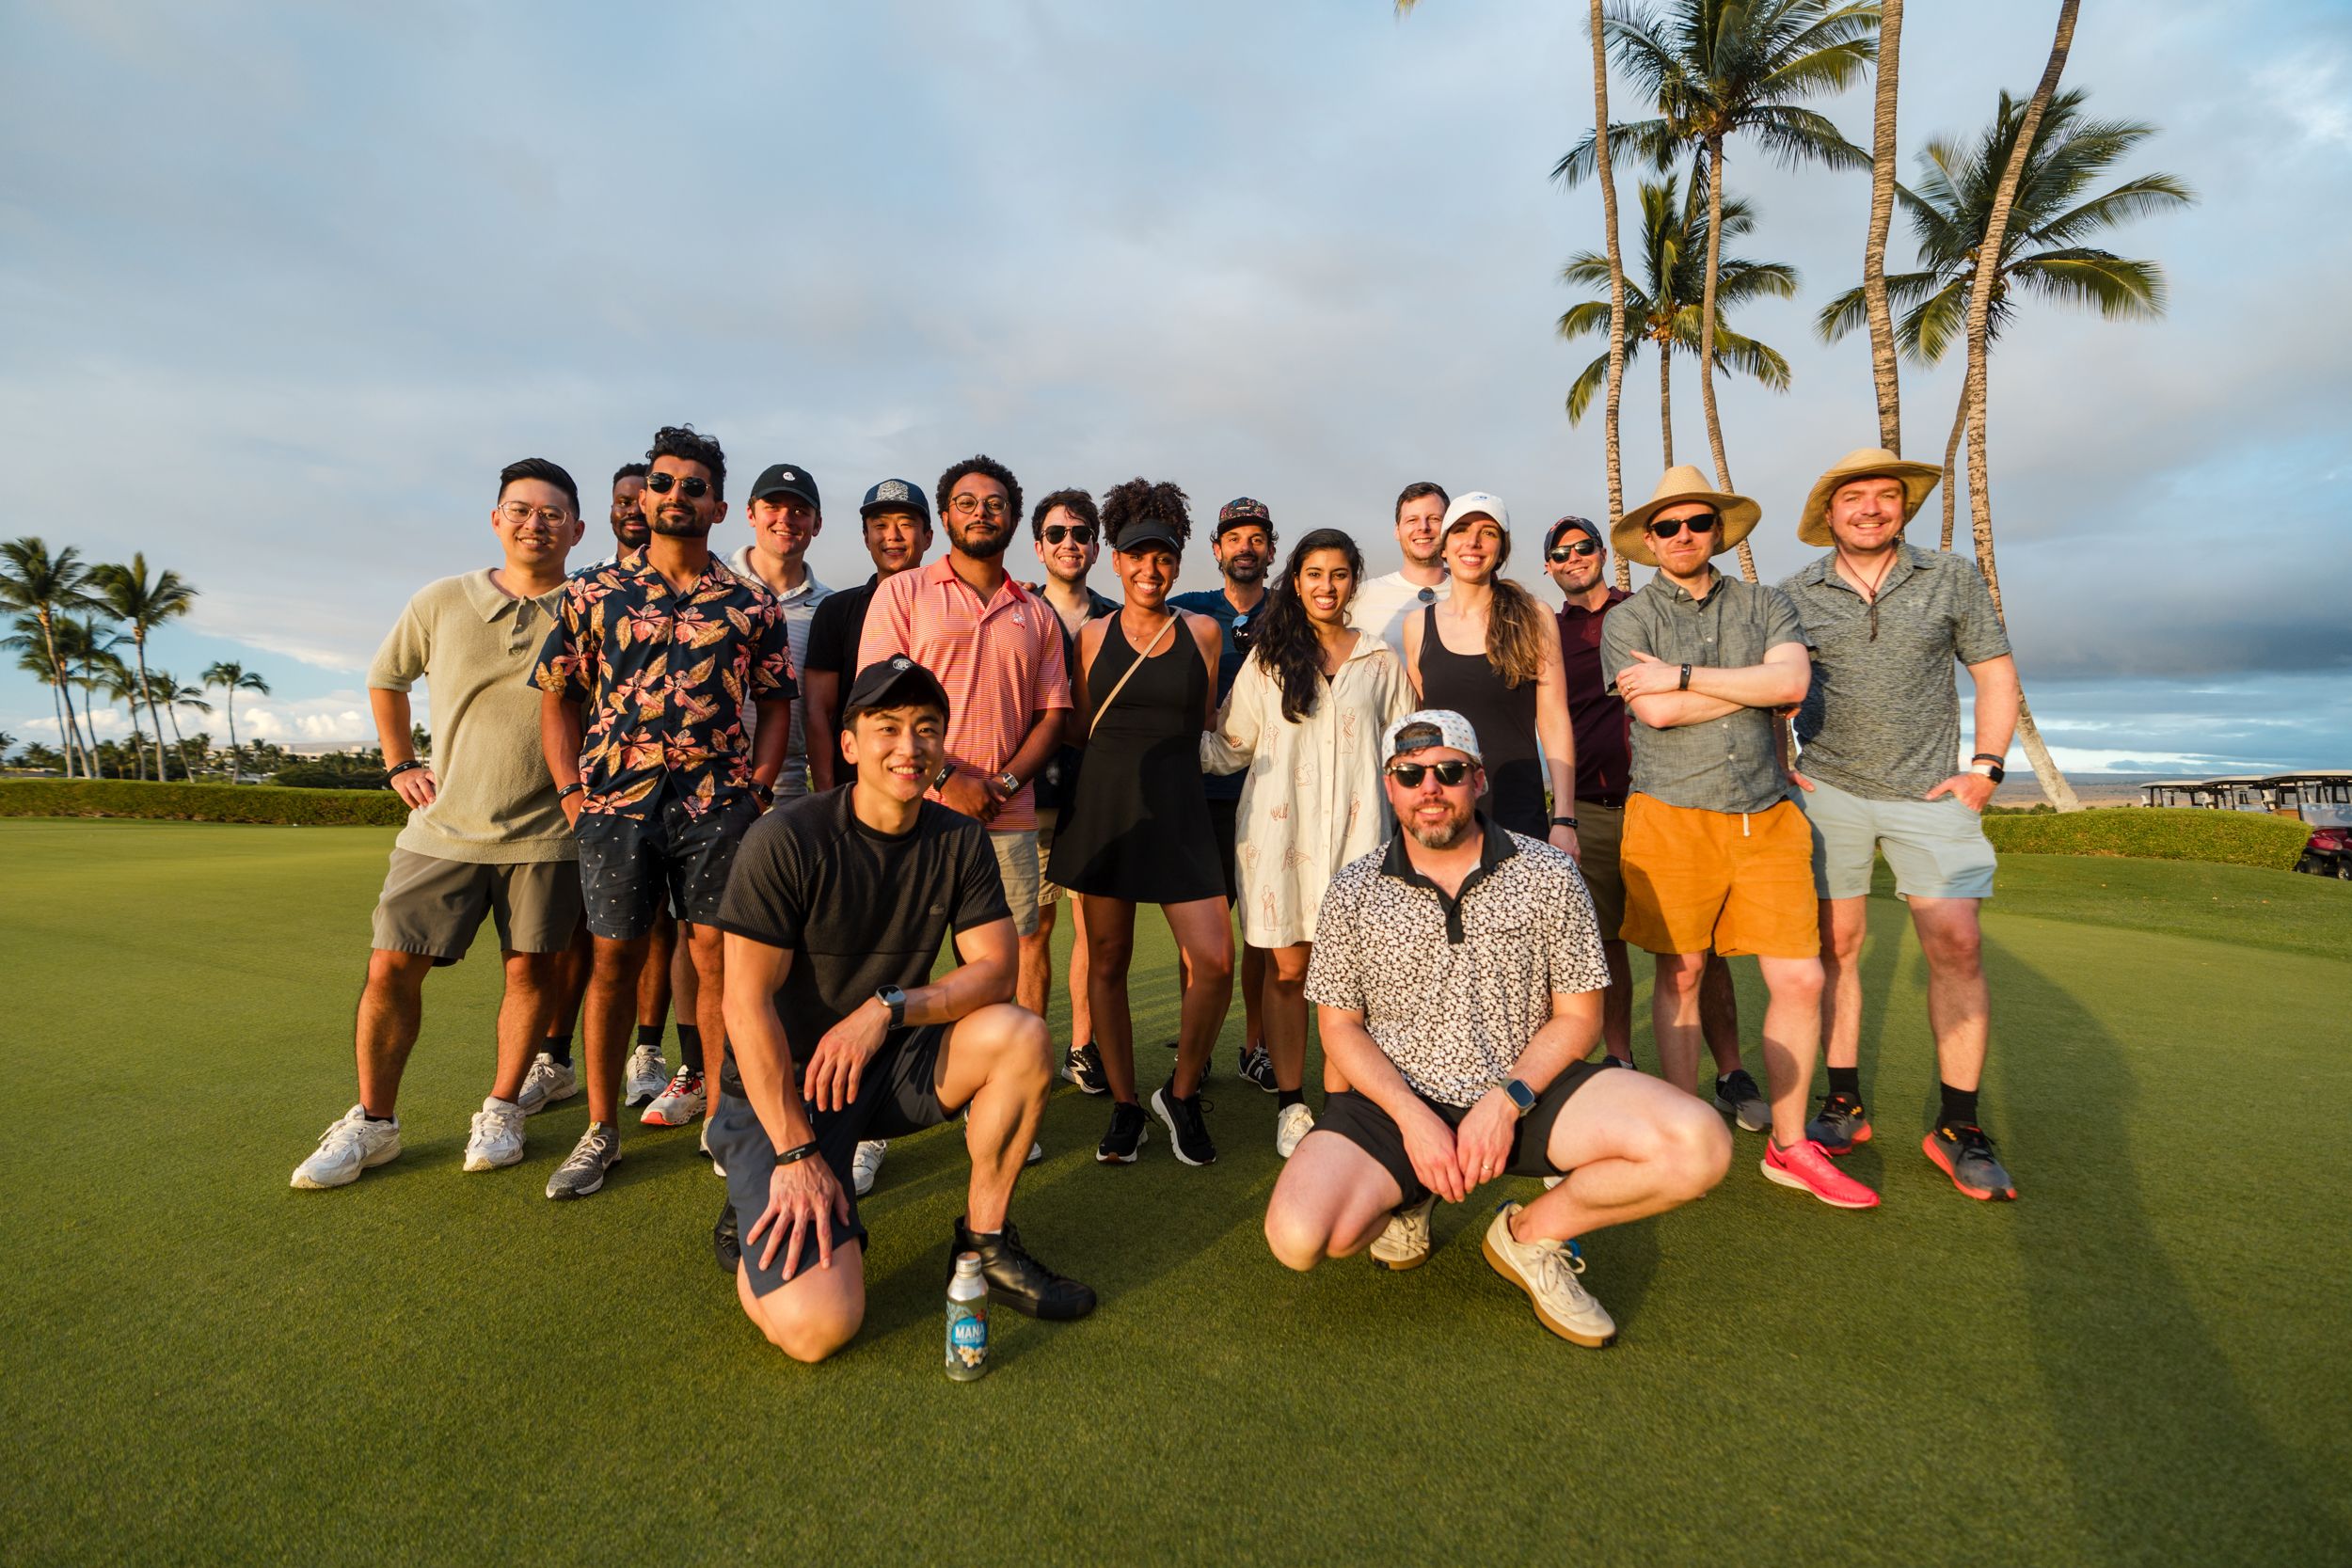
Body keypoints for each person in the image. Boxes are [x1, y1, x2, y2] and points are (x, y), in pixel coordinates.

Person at [1263, 712, 1729, 1348]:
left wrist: (1506, 1101)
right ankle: (1410, 1194)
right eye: (1410, 774)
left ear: (1477, 780)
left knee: (1699, 1145)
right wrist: (1412, 1117)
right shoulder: (1353, 888)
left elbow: (1580, 1017)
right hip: (1399, 1099)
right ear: (1390, 786)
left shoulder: (1548, 873)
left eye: (1449, 771)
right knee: (1302, 1237)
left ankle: (1529, 1234)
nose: (1431, 787)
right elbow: (1340, 1027)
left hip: (1525, 1089)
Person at [707, 656, 1095, 1362]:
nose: (908, 746)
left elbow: (996, 971)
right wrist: (795, 1152)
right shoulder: (787, 838)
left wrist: (888, 1008)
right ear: (849, 743)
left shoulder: (958, 838)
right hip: (783, 1092)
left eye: (926, 728)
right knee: (818, 1328)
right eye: (886, 727)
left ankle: (985, 1242)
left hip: (880, 1066)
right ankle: (753, 1204)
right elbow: (744, 1005)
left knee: (1022, 1035)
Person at [293, 458, 588, 1188]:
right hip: (443, 829)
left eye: (552, 513)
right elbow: (385, 676)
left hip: (549, 834)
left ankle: (501, 1107)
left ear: (577, 530)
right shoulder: (441, 600)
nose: (535, 522)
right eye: (520, 509)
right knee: (391, 964)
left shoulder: (594, 605)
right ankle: (373, 1120)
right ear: (496, 520)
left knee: (530, 970)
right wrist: (399, 764)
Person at [1602, 466, 1876, 1209]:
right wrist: (1741, 687)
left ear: (1718, 530)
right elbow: (1650, 713)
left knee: (1802, 978)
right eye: (1668, 526)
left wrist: (1685, 676)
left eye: (1697, 522)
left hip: (1768, 814)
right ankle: (1681, 1127)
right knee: (1682, 970)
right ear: (1650, 540)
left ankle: (1789, 1146)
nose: (1684, 535)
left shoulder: (1765, 602)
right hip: (1670, 813)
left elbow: (1788, 687)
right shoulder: (1629, 619)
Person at [533, 424, 795, 1199]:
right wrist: (573, 793)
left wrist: (761, 785)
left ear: (718, 506)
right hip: (615, 804)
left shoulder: (751, 602)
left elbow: (777, 702)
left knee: (715, 958)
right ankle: (601, 1127)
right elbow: (559, 696)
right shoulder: (591, 592)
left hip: (720, 806)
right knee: (613, 959)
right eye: (663, 482)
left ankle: (721, 1119)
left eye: (692, 486)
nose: (675, 495)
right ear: (644, 496)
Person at [1780, 448, 2023, 1200]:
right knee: (1836, 947)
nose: (1872, 508)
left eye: (1887, 496)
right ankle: (1842, 1101)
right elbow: (1777, 690)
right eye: (1855, 498)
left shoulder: (1950, 576)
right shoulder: (1794, 592)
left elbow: (1994, 672)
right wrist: (1777, 761)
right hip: (1830, 791)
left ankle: (1958, 1125)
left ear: (1903, 508)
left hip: (1931, 793)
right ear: (1830, 513)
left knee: (1957, 942)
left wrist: (1986, 767)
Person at [854, 454, 1071, 1193]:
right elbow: (878, 702)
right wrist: (951, 775)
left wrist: (1001, 781)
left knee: (1008, 963)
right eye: (967, 502)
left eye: (996, 502)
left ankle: (999, 1103)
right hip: (907, 810)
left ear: (1014, 515)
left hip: (1005, 817)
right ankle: (870, 1120)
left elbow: (1051, 716)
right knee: (892, 960)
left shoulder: (1035, 611)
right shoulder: (905, 591)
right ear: (946, 515)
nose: (982, 512)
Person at [1546, 516, 1763, 1127]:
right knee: (1605, 942)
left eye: (1583, 546)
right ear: (1548, 567)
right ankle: (1619, 1059)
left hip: (1667, 801)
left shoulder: (1645, 611)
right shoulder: (1547, 632)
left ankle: (1729, 1069)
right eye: (1559, 553)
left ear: (1602, 553)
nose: (1573, 558)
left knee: (1697, 946)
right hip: (1588, 806)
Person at [1202, 527, 1412, 1156]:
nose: (1326, 585)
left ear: (1354, 580)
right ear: (1294, 581)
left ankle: (1345, 1103)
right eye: (1313, 573)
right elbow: (1229, 746)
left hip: (1360, 843)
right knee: (1289, 971)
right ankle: (1292, 1104)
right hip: (1278, 841)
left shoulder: (1380, 660)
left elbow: (1406, 749)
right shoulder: (1267, 660)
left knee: (1354, 982)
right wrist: (1158, 735)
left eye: (1339, 573)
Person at [1048, 478, 1232, 1166]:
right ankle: (1127, 1105)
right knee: (1107, 962)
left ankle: (1179, 1094)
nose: (1150, 568)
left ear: (1178, 563)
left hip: (1180, 813)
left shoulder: (1205, 633)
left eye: (1163, 555)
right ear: (1115, 562)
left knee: (1215, 960)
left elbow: (1206, 722)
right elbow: (1079, 729)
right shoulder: (1090, 637)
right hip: (1106, 815)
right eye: (1136, 555)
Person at [1402, 493, 1577, 853]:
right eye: (1462, 530)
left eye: (1489, 532)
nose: (1474, 542)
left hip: (1518, 808)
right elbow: (1420, 724)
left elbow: (1554, 719)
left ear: (1501, 549)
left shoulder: (1534, 616)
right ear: (1445, 547)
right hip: (1443, 809)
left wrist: (1563, 818)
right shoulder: (1418, 624)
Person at [1169, 497, 1275, 1087]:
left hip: (1268, 796)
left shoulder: (1290, 613)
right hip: (1202, 794)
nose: (1245, 547)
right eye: (1234, 537)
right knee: (1201, 935)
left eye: (1256, 537)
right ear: (1216, 549)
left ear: (1269, 549)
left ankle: (1255, 1045)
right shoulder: (1190, 610)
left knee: (1263, 930)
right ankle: (1198, 1043)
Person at [1025, 487, 1118, 1094]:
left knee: (1094, 931)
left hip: (1095, 796)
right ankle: (1027, 1051)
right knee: (1032, 930)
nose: (1069, 544)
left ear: (1096, 545)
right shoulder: (1015, 610)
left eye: (1080, 534)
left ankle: (1083, 1048)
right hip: (1028, 794)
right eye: (1057, 534)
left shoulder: (1115, 617)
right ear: (1038, 546)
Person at [803, 479, 932, 792]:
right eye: (880, 525)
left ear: (928, 537)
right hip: (856, 791)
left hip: (938, 788)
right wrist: (827, 796)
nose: (893, 536)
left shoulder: (953, 608)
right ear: (865, 537)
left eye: (906, 524)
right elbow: (819, 710)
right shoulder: (836, 610)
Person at [723, 463, 832, 800]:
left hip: (788, 791)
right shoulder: (713, 581)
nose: (785, 519)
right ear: (751, 514)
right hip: (709, 784)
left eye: (799, 511)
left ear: (817, 524)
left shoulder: (828, 608)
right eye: (773, 507)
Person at [1350, 481, 1451, 660]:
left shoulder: (1474, 595)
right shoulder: (1362, 596)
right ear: (1397, 530)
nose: (1423, 527)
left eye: (1434, 519)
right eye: (1412, 520)